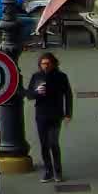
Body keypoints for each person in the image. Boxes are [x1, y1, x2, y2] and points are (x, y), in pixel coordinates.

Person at [27, 52, 73, 181]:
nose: (45, 66)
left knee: (53, 142)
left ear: (53, 64)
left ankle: (58, 171)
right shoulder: (36, 77)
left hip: (55, 114)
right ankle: (48, 170)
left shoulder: (61, 77)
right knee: (44, 144)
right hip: (41, 114)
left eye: (47, 63)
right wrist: (37, 92)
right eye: (43, 64)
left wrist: (68, 113)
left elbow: (68, 95)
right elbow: (29, 95)